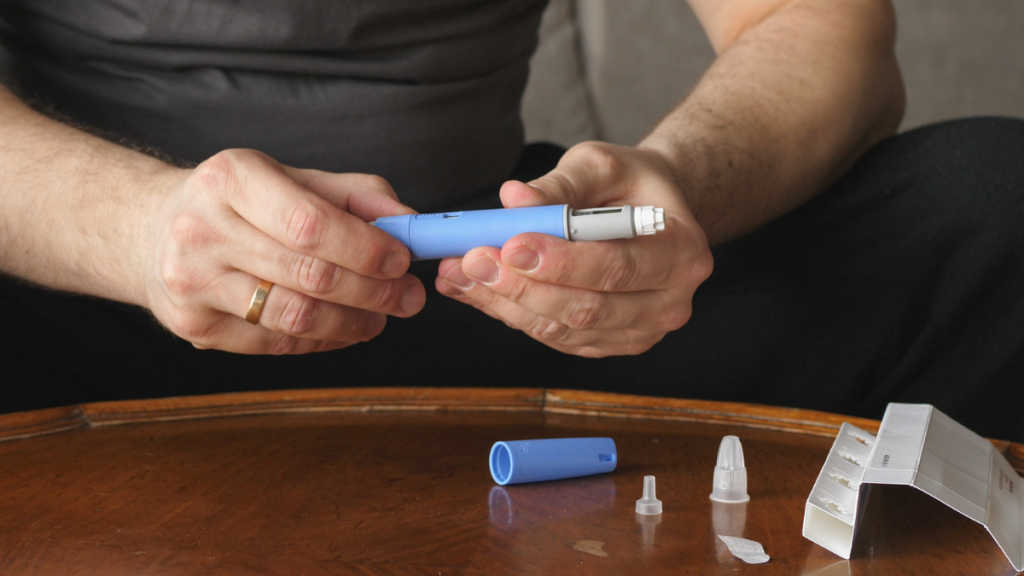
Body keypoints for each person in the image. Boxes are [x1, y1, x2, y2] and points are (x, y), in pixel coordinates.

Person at [1, 1, 1021, 440]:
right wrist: (139, 228)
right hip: (86, 303)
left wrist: (678, 184)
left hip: (502, 300)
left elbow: (819, 26)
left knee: (994, 203)